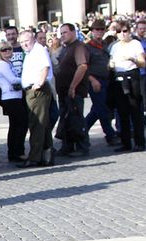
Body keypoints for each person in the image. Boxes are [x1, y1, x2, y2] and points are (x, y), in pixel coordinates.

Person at [18, 30, 55, 167]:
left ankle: (34, 157)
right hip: (33, 91)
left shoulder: (39, 50)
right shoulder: (31, 52)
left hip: (37, 91)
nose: (24, 44)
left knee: (36, 124)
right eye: (21, 42)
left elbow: (45, 67)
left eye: (26, 41)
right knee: (42, 124)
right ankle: (47, 156)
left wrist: (39, 83)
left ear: (33, 39)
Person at [110, 22, 146, 151]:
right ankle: (125, 143)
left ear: (129, 31)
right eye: (119, 31)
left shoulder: (135, 44)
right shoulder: (114, 47)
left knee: (135, 110)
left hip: (132, 76)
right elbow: (111, 62)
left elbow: (142, 63)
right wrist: (110, 65)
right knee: (122, 112)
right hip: (118, 77)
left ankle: (139, 142)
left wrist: (133, 59)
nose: (122, 34)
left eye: (125, 31)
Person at [54, 23, 90, 156]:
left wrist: (73, 86)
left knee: (76, 118)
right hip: (63, 91)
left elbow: (82, 66)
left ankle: (82, 146)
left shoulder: (79, 47)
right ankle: (67, 145)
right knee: (66, 118)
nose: (62, 35)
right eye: (61, 33)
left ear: (73, 32)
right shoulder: (65, 48)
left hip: (74, 90)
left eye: (65, 32)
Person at [85, 19, 118, 145]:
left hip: (106, 79)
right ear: (92, 31)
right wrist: (92, 80)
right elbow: (84, 66)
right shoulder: (88, 47)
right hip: (95, 79)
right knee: (101, 108)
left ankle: (82, 130)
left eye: (101, 29)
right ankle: (110, 134)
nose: (99, 32)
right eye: (96, 29)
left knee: (97, 110)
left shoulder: (105, 45)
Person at [0, 40, 28, 162]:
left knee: (15, 126)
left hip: (14, 96)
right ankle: (18, 152)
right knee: (21, 124)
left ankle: (14, 152)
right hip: (11, 98)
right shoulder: (2, 64)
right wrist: (27, 79)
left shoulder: (8, 63)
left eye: (9, 49)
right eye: (4, 50)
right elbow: (12, 80)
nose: (7, 51)